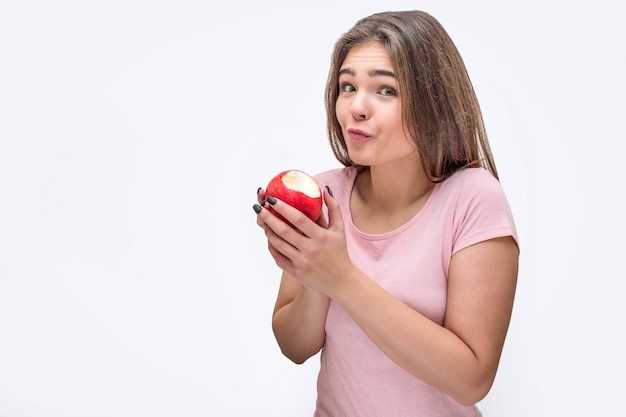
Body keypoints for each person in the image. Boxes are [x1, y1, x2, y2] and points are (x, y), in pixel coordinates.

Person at [252, 10, 519, 417]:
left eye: (386, 90)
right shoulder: (324, 195)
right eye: (347, 86)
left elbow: (472, 379)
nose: (356, 107)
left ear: (434, 102)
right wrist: (313, 277)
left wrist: (340, 278)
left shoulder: (473, 199)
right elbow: (295, 347)